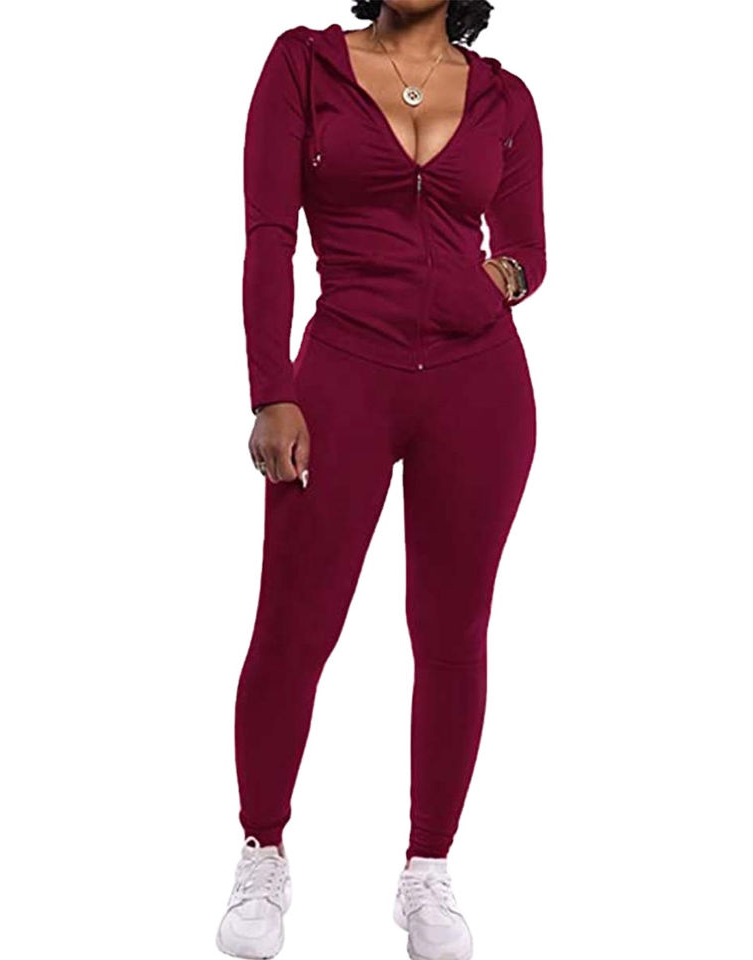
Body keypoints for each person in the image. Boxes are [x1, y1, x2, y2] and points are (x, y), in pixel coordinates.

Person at [217, 2, 546, 957]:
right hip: (341, 376)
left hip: (479, 388)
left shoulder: (507, 99)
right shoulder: (304, 65)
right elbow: (269, 235)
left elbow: (529, 247)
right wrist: (272, 392)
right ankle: (262, 851)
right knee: (294, 625)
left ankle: (427, 868)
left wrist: (495, 283)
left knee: (452, 632)